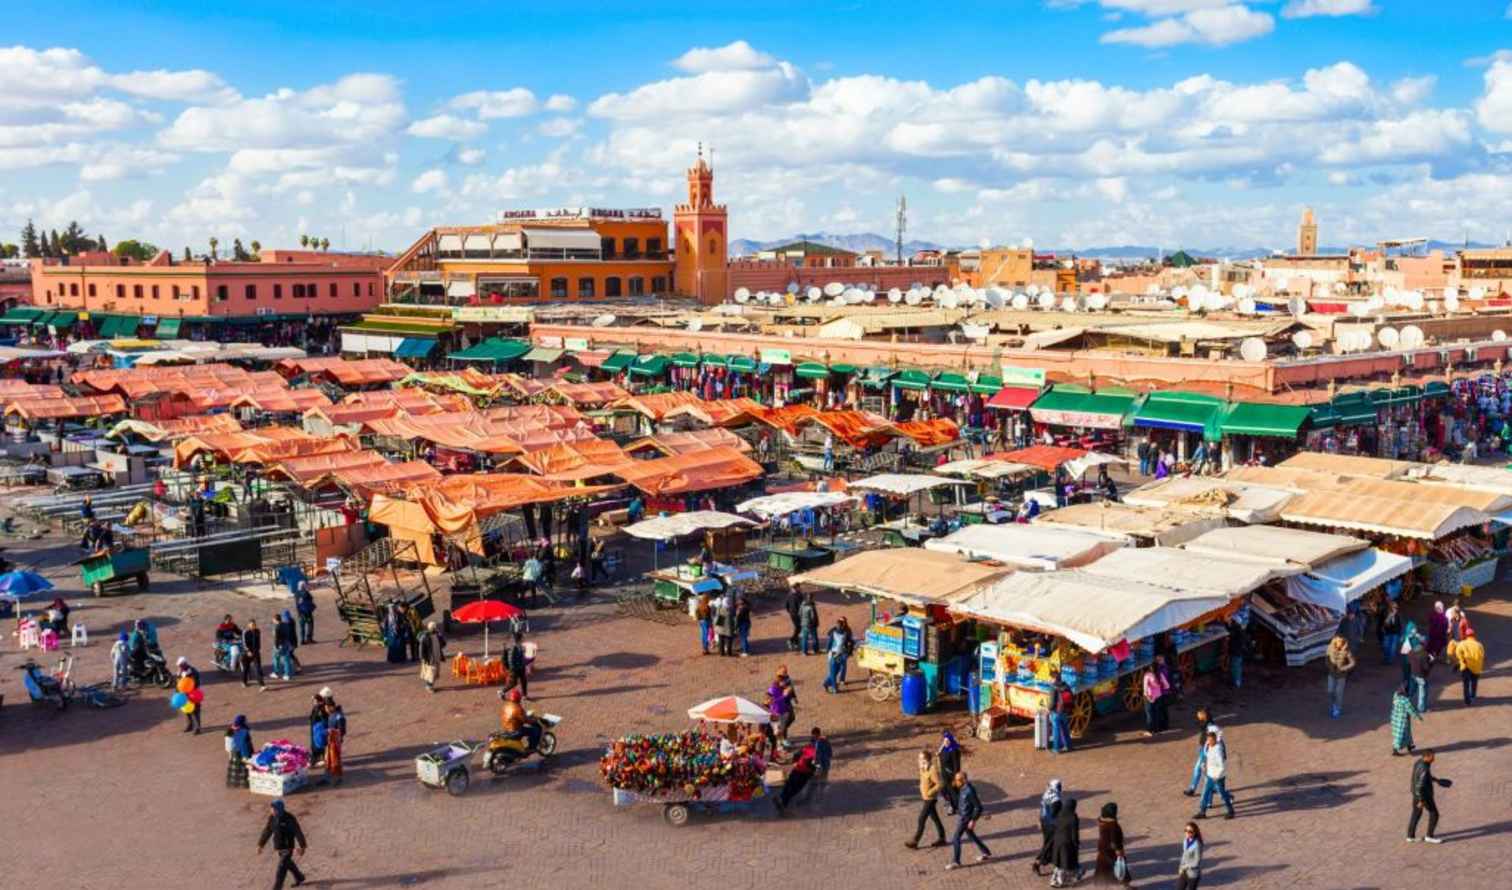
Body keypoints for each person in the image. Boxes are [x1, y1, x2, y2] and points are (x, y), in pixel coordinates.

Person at [256, 800, 308, 890]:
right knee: (288, 864)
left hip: (288, 848)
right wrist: (261, 844)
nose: (271, 810)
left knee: (281, 868)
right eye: (271, 808)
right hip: (279, 848)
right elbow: (267, 831)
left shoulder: (289, 818)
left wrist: (302, 846)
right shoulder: (272, 818)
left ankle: (277, 888)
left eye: (273, 808)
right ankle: (300, 877)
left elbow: (297, 832)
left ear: (278, 809)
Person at [945, 771, 990, 871]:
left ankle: (956, 861)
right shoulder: (963, 788)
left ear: (963, 780)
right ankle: (985, 852)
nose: (955, 782)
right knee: (971, 835)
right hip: (963, 816)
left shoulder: (969, 791)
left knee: (956, 838)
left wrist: (973, 820)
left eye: (957, 780)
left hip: (965, 818)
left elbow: (978, 807)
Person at [904, 750, 947, 849]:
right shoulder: (923, 768)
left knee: (921, 818)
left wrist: (930, 792)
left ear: (927, 759)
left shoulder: (932, 770)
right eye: (919, 758)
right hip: (925, 798)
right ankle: (942, 838)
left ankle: (915, 841)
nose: (919, 760)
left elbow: (940, 784)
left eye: (921, 758)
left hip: (930, 799)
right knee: (935, 818)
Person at [1407, 749, 1450, 844]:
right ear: (1427, 756)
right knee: (1434, 814)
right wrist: (1421, 800)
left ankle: (1410, 836)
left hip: (1415, 794)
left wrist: (1436, 780)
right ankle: (1429, 836)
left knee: (1416, 814)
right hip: (1424, 796)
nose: (1434, 758)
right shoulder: (1424, 768)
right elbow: (1420, 785)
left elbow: (1422, 778)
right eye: (1432, 756)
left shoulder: (1419, 762)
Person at [1193, 730, 1235, 820]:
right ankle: (1202, 811)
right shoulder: (1209, 746)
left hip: (1217, 778)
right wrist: (1204, 764)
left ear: (1215, 740)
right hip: (1210, 775)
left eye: (1211, 740)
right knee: (1205, 793)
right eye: (1208, 740)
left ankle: (1231, 811)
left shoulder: (1218, 750)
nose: (1209, 741)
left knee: (1222, 794)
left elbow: (1222, 765)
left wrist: (1217, 776)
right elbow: (1206, 755)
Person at [1183, 709, 1223, 796]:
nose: (1198, 719)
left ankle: (1192, 788)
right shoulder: (1207, 725)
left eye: (1199, 717)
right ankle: (1215, 787)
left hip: (1206, 750)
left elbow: (1213, 739)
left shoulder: (1210, 726)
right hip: (1204, 749)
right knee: (1207, 769)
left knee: (1198, 768)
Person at [774, 735, 817, 815]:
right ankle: (783, 804)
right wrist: (813, 772)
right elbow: (815, 765)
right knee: (795, 789)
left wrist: (795, 763)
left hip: (797, 769)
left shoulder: (806, 748)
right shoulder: (817, 753)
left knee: (789, 784)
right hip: (804, 774)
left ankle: (782, 800)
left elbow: (796, 755)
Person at [1091, 802, 1131, 885]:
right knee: (1120, 867)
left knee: (1102, 868)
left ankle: (1100, 883)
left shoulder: (1102, 822)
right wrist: (1118, 850)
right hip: (1111, 850)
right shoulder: (1113, 825)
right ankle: (1125, 884)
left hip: (1102, 848)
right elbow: (1114, 841)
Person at [1050, 797, 1082, 887]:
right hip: (1067, 844)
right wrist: (1076, 844)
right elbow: (1074, 833)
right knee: (1065, 863)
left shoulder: (1060, 813)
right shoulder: (1073, 817)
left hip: (1057, 841)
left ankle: (1054, 879)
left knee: (1059, 862)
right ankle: (1060, 881)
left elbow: (1055, 825)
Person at [1446, 628, 1484, 706]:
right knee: (1474, 683)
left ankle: (1467, 701)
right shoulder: (1479, 645)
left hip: (1465, 667)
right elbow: (1482, 655)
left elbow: (1458, 653)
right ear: (1473, 635)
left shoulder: (1462, 644)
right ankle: (1473, 696)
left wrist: (1460, 662)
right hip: (1476, 667)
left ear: (1466, 635)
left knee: (1466, 684)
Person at [1033, 779, 1062, 876]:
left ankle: (1050, 861)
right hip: (1052, 825)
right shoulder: (1056, 799)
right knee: (1049, 844)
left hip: (1044, 822)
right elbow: (1054, 814)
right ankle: (1037, 863)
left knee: (1049, 843)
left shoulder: (1046, 794)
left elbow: (1042, 809)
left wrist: (1039, 820)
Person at [1325, 635, 1356, 719]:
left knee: (1339, 693)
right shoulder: (1329, 648)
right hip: (1331, 674)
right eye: (1339, 642)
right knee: (1330, 691)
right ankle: (1331, 706)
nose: (1340, 644)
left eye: (1342, 643)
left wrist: (1343, 668)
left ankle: (1337, 709)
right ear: (1335, 641)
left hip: (1341, 676)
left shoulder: (1347, 650)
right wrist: (1331, 667)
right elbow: (1326, 661)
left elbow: (1352, 663)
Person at [1390, 680, 1422, 755]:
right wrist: (1418, 717)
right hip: (1402, 719)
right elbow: (1411, 710)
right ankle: (1395, 750)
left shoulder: (1395, 695)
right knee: (1400, 734)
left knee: (1405, 733)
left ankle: (1409, 745)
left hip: (1395, 717)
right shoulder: (1405, 700)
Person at [822, 617, 854, 693]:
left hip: (838, 654)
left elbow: (829, 644)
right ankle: (834, 688)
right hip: (836, 654)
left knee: (835, 671)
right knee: (834, 672)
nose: (839, 627)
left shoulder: (843, 632)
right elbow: (829, 644)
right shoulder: (838, 632)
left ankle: (826, 683)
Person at [1142, 662, 1171, 737]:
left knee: (1150, 715)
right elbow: (1167, 686)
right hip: (1159, 696)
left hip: (1150, 697)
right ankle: (1156, 730)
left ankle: (1149, 731)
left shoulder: (1147, 675)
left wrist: (1149, 698)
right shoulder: (1160, 675)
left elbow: (1145, 690)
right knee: (1157, 713)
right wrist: (1159, 688)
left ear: (1150, 668)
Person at [937, 730, 963, 815]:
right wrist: (942, 746)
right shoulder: (944, 749)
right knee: (943, 791)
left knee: (953, 793)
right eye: (944, 741)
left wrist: (955, 777)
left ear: (951, 741)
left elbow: (957, 765)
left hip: (951, 776)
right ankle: (952, 805)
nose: (946, 742)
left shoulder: (954, 751)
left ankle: (955, 808)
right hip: (944, 775)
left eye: (947, 741)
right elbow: (938, 754)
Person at [226, 714, 254, 788]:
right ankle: (245, 784)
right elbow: (244, 744)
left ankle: (234, 784)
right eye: (245, 720)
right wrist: (246, 756)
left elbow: (228, 740)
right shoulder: (243, 731)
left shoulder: (231, 729)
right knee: (244, 769)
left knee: (236, 770)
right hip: (242, 753)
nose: (247, 721)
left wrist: (229, 752)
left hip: (234, 752)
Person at [176, 657, 202, 734]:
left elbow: (196, 683)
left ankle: (197, 728)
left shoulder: (193, 671)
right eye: (179, 666)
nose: (179, 667)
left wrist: (188, 690)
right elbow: (178, 683)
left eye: (180, 665)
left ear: (185, 664)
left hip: (193, 694)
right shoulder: (180, 672)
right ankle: (190, 725)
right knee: (186, 710)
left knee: (195, 711)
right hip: (184, 695)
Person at [418, 620, 446, 693]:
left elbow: (443, 644)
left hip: (436, 656)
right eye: (433, 628)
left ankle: (430, 685)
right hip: (430, 658)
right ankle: (429, 686)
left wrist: (440, 635)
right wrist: (423, 658)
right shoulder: (425, 637)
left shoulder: (437, 635)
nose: (434, 629)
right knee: (431, 672)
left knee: (434, 672)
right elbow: (421, 649)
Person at [323, 702, 346, 786]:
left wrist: (331, 731)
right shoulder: (331, 715)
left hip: (335, 742)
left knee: (335, 760)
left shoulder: (339, 717)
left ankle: (338, 778)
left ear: (331, 707)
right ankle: (326, 778)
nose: (326, 710)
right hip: (329, 741)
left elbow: (342, 730)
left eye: (327, 708)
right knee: (327, 759)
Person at [1048, 677, 1073, 753]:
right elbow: (1071, 697)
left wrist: (1049, 709)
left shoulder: (1053, 688)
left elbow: (1052, 703)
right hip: (1065, 711)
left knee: (1056, 730)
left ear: (1053, 678)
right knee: (1066, 729)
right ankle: (1068, 746)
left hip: (1056, 712)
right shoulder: (1066, 686)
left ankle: (1056, 748)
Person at [1177, 822, 1203, 890]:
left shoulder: (1197, 845)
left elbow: (1196, 861)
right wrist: (1180, 867)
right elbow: (1184, 855)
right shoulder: (1185, 841)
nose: (1187, 833)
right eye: (1185, 830)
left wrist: (1185, 866)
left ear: (1195, 832)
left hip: (1192, 873)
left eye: (1190, 831)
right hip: (1184, 871)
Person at [503, 632, 530, 700]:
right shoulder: (513, 648)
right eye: (522, 638)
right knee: (513, 683)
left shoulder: (519, 646)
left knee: (524, 680)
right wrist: (513, 669)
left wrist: (524, 665)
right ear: (519, 639)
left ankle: (524, 695)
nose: (523, 639)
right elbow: (511, 659)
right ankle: (502, 692)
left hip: (521, 667)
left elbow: (521, 657)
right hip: (515, 669)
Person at [272, 612, 296, 681]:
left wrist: (276, 646)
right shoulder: (285, 625)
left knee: (276, 658)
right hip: (286, 643)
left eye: (273, 620)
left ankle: (276, 673)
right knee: (286, 659)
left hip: (280, 645)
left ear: (275, 620)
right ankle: (287, 674)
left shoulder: (277, 627)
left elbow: (276, 638)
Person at [241, 619, 265, 689]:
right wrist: (248, 651)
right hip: (247, 654)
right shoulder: (245, 632)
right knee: (246, 669)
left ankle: (262, 685)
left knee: (257, 668)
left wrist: (258, 649)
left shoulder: (257, 631)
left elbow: (258, 641)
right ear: (248, 625)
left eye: (254, 625)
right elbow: (244, 643)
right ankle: (244, 682)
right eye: (251, 625)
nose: (253, 626)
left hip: (255, 653)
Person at [309, 692, 330, 766]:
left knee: (319, 744)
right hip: (315, 729)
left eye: (315, 700)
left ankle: (318, 759)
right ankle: (318, 759)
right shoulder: (317, 707)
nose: (314, 702)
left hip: (318, 729)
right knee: (316, 744)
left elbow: (324, 719)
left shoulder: (321, 708)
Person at [1226, 615, 1248, 688]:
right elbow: (1230, 630)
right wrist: (1226, 623)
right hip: (1238, 652)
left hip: (1236, 652)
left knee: (1234, 667)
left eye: (1232, 621)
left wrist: (1226, 623)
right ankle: (1236, 682)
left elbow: (1231, 631)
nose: (1231, 622)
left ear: (1235, 622)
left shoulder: (1237, 630)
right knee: (1237, 667)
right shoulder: (1239, 630)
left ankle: (1236, 683)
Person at [1380, 600, 1403, 665]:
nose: (1395, 609)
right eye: (1394, 607)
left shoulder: (1398, 615)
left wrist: (1401, 634)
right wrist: (1390, 616)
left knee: (1393, 648)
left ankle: (1389, 660)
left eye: (1396, 608)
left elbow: (1400, 624)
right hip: (1387, 632)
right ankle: (1386, 658)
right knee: (1385, 646)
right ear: (1390, 608)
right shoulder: (1385, 614)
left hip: (1395, 633)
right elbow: (1385, 624)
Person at [784, 587, 803, 651]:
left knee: (797, 627)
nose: (798, 589)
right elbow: (801, 604)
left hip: (794, 614)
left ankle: (796, 642)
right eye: (796, 588)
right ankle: (791, 640)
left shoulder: (790, 595)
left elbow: (786, 606)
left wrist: (790, 611)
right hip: (796, 614)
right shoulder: (797, 595)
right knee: (798, 627)